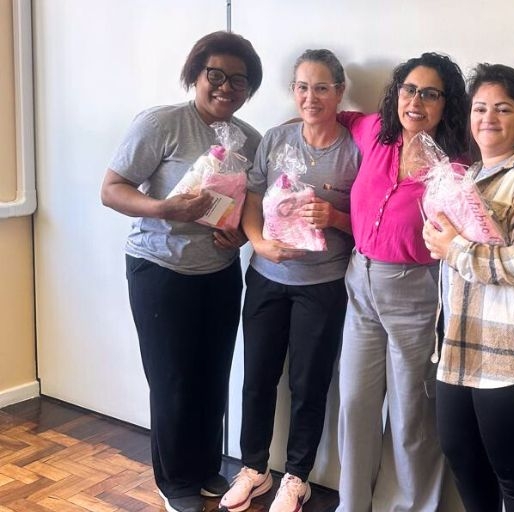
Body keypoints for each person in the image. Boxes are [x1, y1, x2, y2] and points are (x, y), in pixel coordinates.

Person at [100, 31, 263, 512]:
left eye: (239, 80)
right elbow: (112, 189)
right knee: (172, 380)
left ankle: (205, 468)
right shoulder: (161, 123)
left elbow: (250, 211)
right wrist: (164, 208)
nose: (226, 87)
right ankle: (174, 482)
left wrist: (241, 235)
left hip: (219, 272)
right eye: (216, 75)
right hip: (160, 269)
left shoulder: (250, 140)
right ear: (195, 74)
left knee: (212, 374)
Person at [422, 63, 514, 512]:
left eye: (503, 109)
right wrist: (439, 240)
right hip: (461, 348)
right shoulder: (465, 178)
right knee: (466, 466)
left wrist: (456, 250)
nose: (488, 117)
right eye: (480, 108)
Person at [217, 49, 360, 512]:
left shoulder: (354, 151)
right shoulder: (277, 138)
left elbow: (369, 223)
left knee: (308, 384)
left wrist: (334, 217)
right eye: (302, 87)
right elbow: (252, 198)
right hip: (265, 277)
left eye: (321, 88)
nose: (310, 97)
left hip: (323, 285)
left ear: (339, 92)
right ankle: (254, 469)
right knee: (257, 377)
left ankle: (297, 477)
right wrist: (259, 243)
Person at [335, 52, 468, 512]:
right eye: (409, 90)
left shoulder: (455, 163)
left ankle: (412, 506)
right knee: (355, 403)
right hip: (360, 282)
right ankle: (351, 505)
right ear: (396, 94)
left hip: (416, 292)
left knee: (413, 414)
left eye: (430, 94)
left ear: (447, 105)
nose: (416, 101)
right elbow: (333, 114)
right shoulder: (375, 131)